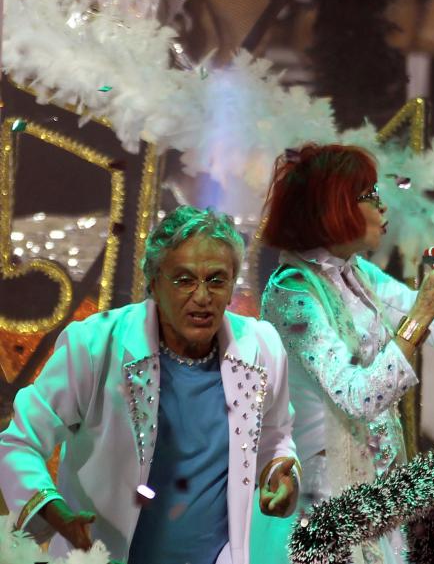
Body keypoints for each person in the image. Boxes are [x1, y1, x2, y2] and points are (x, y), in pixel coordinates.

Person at [253, 143, 434, 564]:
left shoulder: (357, 273)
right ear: (336, 205)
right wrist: (422, 311)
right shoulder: (292, 293)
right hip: (324, 498)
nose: (382, 205)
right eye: (369, 195)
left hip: (374, 491)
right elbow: (359, 397)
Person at [0, 206, 301, 564]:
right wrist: (56, 514)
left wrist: (282, 473)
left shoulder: (262, 346)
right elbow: (19, 442)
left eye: (217, 280)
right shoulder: (95, 345)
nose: (203, 296)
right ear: (154, 282)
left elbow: (275, 436)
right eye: (184, 280)